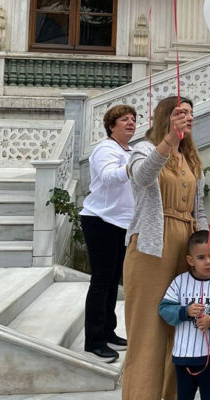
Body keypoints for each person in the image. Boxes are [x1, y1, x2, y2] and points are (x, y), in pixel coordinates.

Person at [122, 96, 207, 400]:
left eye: (190, 114)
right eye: (180, 113)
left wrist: (206, 242)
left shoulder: (191, 158)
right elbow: (143, 176)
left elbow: (200, 207)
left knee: (180, 328)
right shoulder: (144, 149)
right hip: (151, 246)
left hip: (186, 244)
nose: (187, 119)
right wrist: (170, 140)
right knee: (148, 331)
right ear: (165, 117)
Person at [80, 104, 135, 363]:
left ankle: (108, 331)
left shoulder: (131, 151)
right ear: (112, 125)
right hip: (100, 220)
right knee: (102, 281)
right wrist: (132, 167)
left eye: (134, 119)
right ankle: (94, 340)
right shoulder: (106, 149)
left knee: (114, 280)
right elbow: (109, 177)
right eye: (124, 119)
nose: (131, 123)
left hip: (121, 223)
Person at [158, 231, 210, 400]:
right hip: (183, 357)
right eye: (201, 257)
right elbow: (164, 309)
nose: (208, 262)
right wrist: (185, 311)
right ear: (190, 260)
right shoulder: (180, 281)